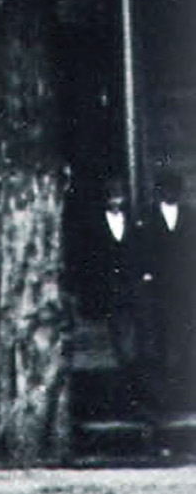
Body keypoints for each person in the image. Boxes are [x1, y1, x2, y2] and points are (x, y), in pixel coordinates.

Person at [74, 177, 149, 412]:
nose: (115, 201)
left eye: (119, 197)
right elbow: (88, 257)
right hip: (106, 287)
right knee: (112, 335)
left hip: (128, 286)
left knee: (131, 332)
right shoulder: (93, 225)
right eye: (111, 197)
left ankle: (133, 379)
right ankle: (115, 386)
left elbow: (139, 252)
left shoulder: (134, 223)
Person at [138, 169, 191, 414]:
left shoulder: (190, 216)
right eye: (166, 190)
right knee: (159, 336)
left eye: (175, 190)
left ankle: (185, 389)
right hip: (158, 288)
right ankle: (161, 395)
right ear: (159, 192)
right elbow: (143, 250)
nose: (172, 194)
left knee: (185, 334)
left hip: (185, 286)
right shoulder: (148, 218)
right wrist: (147, 275)